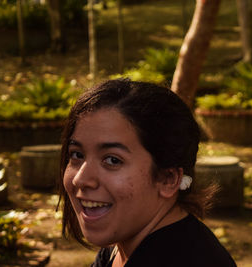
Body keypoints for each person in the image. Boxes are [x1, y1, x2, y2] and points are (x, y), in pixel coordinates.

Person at [58, 79, 237, 267]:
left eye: (112, 160)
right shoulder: (122, 247)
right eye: (77, 155)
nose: (81, 179)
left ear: (168, 179)